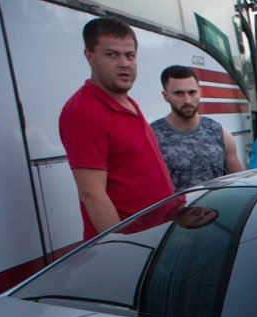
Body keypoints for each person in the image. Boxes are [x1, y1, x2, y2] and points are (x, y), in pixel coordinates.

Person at [59, 16, 173, 239]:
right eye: (112, 54)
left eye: (130, 55)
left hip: (158, 237)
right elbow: (92, 194)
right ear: (89, 56)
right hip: (133, 247)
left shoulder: (126, 102)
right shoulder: (84, 112)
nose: (124, 63)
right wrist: (123, 247)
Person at [151, 65, 244, 190]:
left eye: (192, 92)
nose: (187, 100)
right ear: (165, 96)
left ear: (200, 92)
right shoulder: (152, 136)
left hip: (214, 208)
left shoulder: (220, 133)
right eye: (179, 93)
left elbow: (240, 184)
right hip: (173, 209)